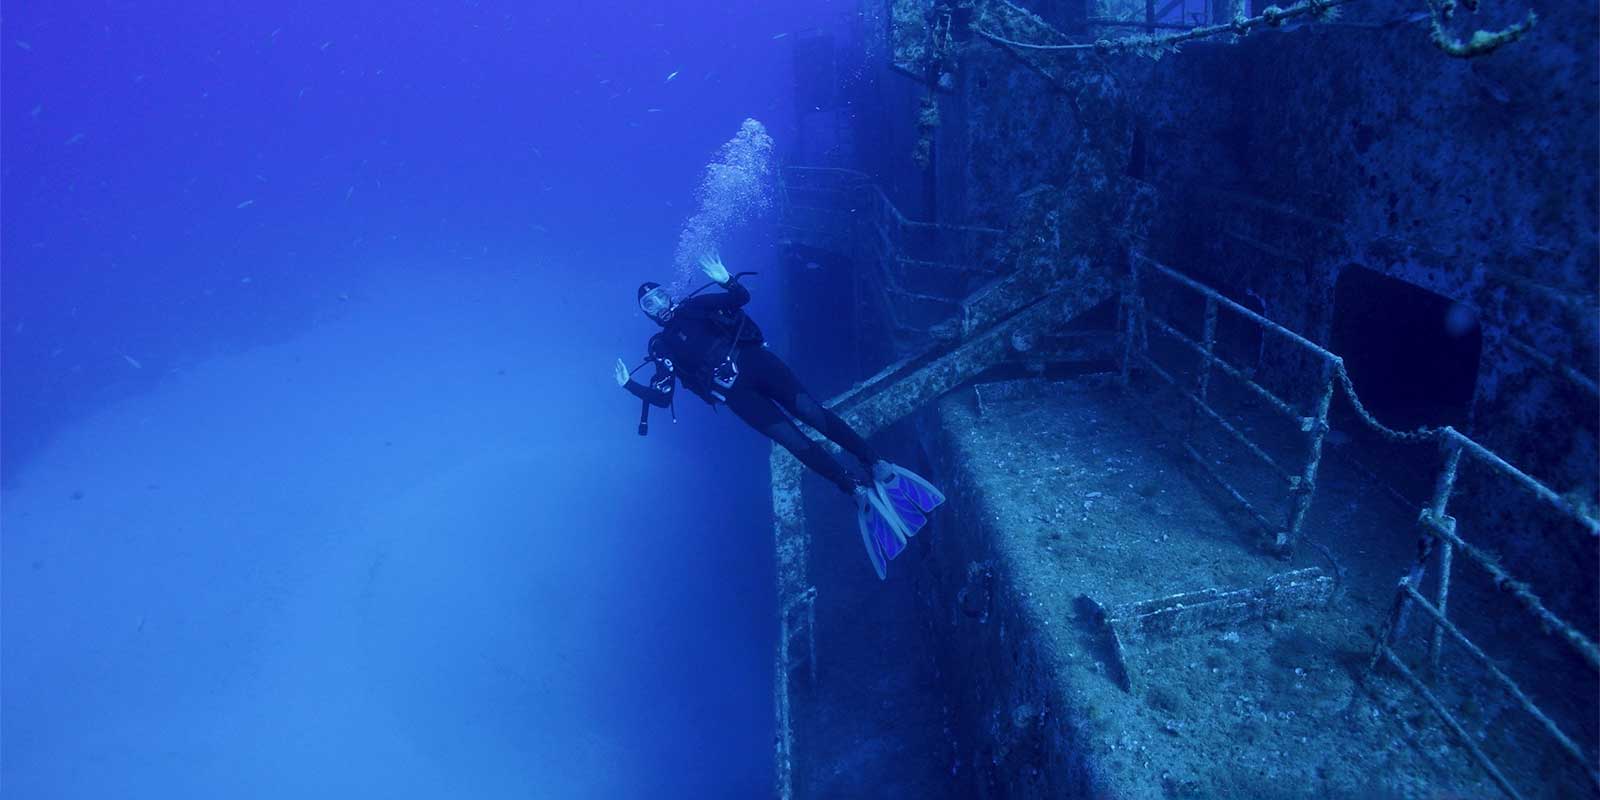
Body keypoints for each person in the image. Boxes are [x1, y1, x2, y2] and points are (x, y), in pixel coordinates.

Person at [615, 252, 944, 579]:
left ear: (668, 293)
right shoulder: (661, 347)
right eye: (649, 304)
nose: (658, 304)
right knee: (792, 441)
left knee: (812, 413)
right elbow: (662, 397)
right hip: (737, 396)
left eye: (659, 295)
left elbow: (740, 298)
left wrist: (725, 278)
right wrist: (630, 385)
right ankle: (855, 491)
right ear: (646, 314)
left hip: (759, 364)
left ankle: (877, 464)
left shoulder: (694, 307)